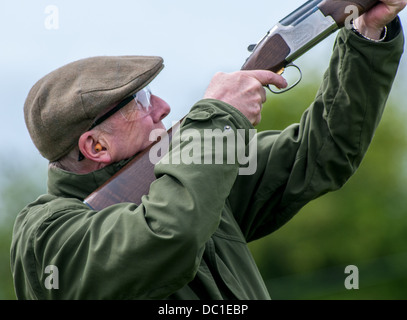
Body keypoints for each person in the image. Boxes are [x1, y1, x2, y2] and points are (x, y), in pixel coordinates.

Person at [11, 1, 406, 299]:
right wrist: (218, 115)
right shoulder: (47, 235)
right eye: (140, 100)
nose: (162, 107)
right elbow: (171, 234)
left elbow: (323, 152)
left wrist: (366, 33)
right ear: (95, 145)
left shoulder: (183, 176)